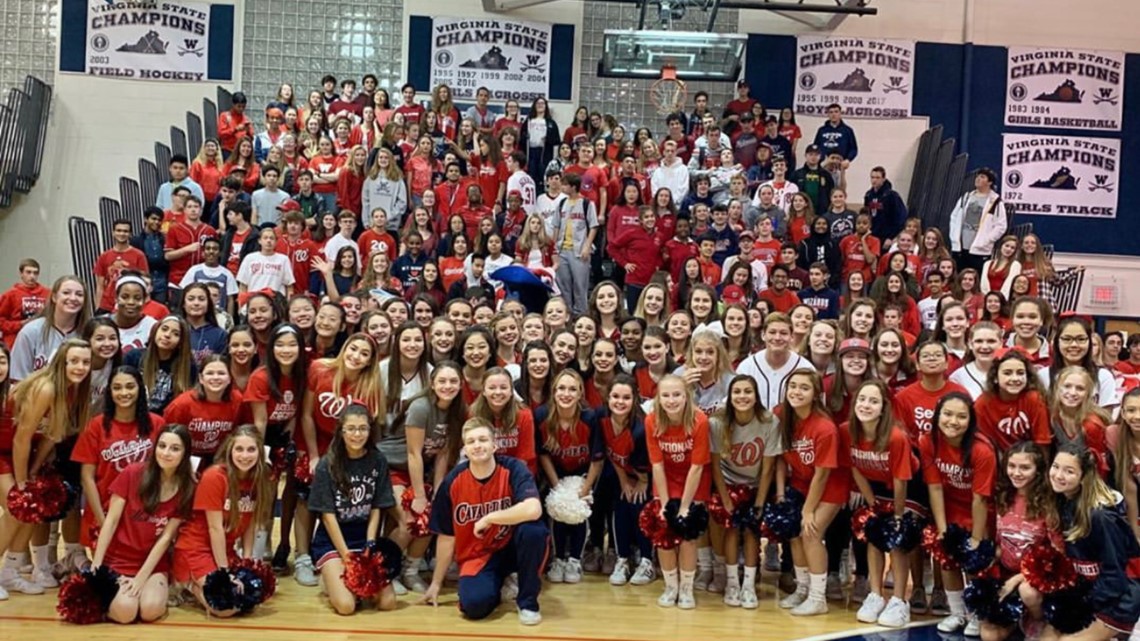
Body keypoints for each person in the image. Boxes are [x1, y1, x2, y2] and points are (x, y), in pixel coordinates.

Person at [421, 417, 548, 625]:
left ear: (494, 445)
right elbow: (446, 535)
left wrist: (489, 518)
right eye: (471, 441)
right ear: (465, 449)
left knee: (534, 531)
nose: (477, 445)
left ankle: (527, 602)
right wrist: (436, 583)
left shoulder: (514, 469)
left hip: (512, 547)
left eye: (483, 439)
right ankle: (497, 583)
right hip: (478, 554)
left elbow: (533, 508)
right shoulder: (452, 482)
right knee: (474, 607)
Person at [88, 423, 194, 623]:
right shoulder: (132, 473)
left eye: (175, 448)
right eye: (162, 446)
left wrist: (140, 578)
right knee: (125, 613)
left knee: (150, 611)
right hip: (118, 560)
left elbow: (166, 538)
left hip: (152, 564)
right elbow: (110, 522)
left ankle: (154, 592)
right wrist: (97, 567)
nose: (166, 453)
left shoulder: (187, 488)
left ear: (185, 454)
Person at [171, 425, 273, 616]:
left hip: (224, 550)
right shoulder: (215, 477)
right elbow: (215, 529)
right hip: (195, 549)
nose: (245, 456)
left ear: (259, 452)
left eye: (251, 450)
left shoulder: (259, 479)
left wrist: (247, 564)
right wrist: (224, 573)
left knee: (249, 598)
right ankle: (187, 583)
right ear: (229, 450)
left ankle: (203, 584)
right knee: (225, 609)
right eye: (239, 449)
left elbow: (250, 524)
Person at [308, 403, 399, 614]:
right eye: (351, 429)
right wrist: (347, 556)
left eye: (362, 429)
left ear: (370, 430)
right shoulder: (326, 465)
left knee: (387, 603)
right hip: (333, 541)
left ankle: (344, 582)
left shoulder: (378, 460)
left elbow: (377, 507)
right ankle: (329, 577)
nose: (357, 434)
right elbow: (327, 517)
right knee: (347, 607)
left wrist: (370, 543)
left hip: (363, 538)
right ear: (341, 431)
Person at [921, 392, 997, 635]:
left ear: (970, 420)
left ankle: (976, 614)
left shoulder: (981, 450)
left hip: (980, 511)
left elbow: (981, 498)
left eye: (961, 416)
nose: (953, 421)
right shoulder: (927, 441)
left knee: (975, 563)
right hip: (949, 507)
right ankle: (957, 613)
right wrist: (943, 529)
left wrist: (976, 538)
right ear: (937, 416)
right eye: (948, 414)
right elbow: (934, 486)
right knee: (947, 558)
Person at [1047, 443, 1140, 641]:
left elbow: (1117, 573)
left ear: (1084, 477)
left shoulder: (1100, 516)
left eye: (1069, 471)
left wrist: (1088, 603)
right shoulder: (1062, 501)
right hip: (1086, 592)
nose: (1058, 475)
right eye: (1055, 466)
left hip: (1118, 599)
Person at [778, 368, 848, 616]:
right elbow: (777, 457)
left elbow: (823, 474)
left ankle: (819, 598)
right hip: (799, 483)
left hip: (830, 486)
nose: (796, 391)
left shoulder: (824, 427)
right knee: (794, 534)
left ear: (817, 394)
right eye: (793, 386)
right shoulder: (782, 415)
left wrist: (808, 510)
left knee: (811, 533)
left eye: (804, 388)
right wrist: (779, 493)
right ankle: (803, 588)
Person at [709, 374, 782, 609]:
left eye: (747, 391)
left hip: (756, 484)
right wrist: (725, 499)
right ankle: (732, 583)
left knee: (751, 530)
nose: (742, 396)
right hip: (728, 484)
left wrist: (759, 503)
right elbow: (715, 467)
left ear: (756, 396)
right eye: (737, 392)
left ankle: (749, 585)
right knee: (731, 529)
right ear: (729, 397)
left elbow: (769, 467)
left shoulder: (769, 421)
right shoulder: (717, 422)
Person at [645, 374, 712, 609]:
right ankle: (670, 586)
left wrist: (684, 507)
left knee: (687, 536)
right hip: (666, 480)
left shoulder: (699, 420)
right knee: (664, 533)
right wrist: (665, 506)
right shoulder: (652, 420)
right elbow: (657, 464)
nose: (671, 400)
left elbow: (697, 467)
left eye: (677, 395)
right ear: (658, 398)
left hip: (694, 482)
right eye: (666, 395)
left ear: (687, 396)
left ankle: (686, 588)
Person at [10, 275, 90, 380]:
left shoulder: (88, 333)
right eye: (66, 293)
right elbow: (17, 378)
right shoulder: (31, 331)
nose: (73, 298)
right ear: (54, 297)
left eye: (79, 294)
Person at [552, 172, 600, 316]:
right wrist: (553, 248)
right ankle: (567, 315)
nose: (562, 186)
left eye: (565, 184)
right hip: (562, 250)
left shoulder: (586, 203)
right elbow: (556, 225)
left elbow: (593, 226)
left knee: (580, 286)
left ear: (573, 187)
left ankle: (582, 316)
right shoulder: (561, 203)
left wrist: (587, 245)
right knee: (563, 286)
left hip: (579, 250)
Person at [949, 168, 1007, 273]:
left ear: (989, 182)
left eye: (982, 177)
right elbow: (954, 217)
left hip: (980, 250)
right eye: (978, 176)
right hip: (960, 248)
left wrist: (986, 240)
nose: (978, 179)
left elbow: (1001, 225)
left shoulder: (995, 202)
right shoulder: (966, 197)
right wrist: (954, 236)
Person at [94, 220, 150, 315]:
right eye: (118, 230)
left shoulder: (139, 255)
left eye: (125, 231)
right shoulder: (104, 256)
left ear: (130, 234)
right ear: (113, 233)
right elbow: (100, 286)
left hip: (128, 304)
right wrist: (97, 308)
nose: (122, 234)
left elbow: (146, 282)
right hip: (107, 305)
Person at [0, 259, 49, 350]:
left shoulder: (48, 294)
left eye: (35, 273)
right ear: (21, 273)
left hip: (39, 342)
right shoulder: (10, 295)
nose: (32, 276)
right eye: (28, 272)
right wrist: (20, 324)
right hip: (14, 343)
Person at [863, 167, 908, 246]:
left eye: (877, 177)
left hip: (886, 237)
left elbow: (901, 218)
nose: (874, 180)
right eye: (872, 177)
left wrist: (892, 237)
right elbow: (866, 215)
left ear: (883, 179)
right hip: (871, 235)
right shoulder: (868, 195)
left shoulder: (892, 196)